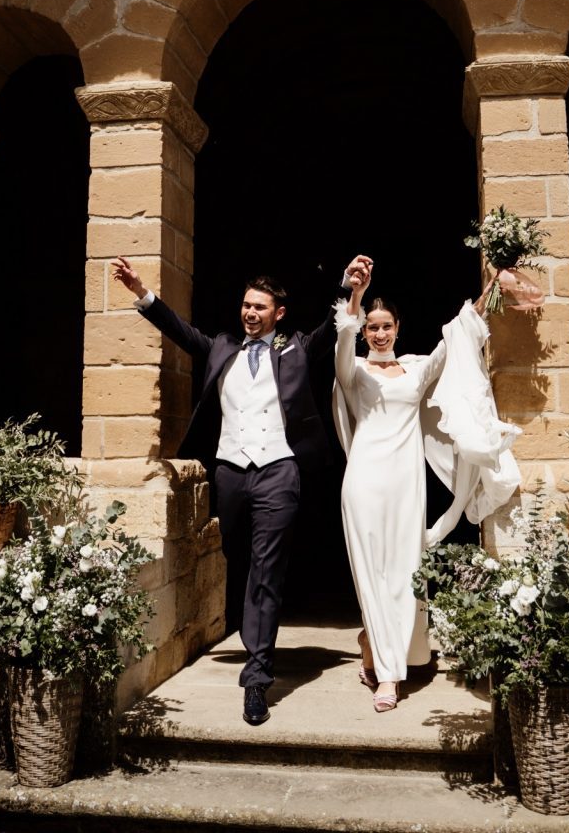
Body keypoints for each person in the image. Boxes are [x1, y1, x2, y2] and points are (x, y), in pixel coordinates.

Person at [112, 253, 373, 726]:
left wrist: (346, 284)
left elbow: (330, 326)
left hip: (278, 471)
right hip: (231, 472)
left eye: (259, 307)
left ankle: (257, 679)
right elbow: (176, 327)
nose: (250, 313)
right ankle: (251, 638)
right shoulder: (221, 348)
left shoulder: (295, 346)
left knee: (266, 571)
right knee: (238, 555)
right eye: (246, 305)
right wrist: (140, 291)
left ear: (278, 314)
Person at [332, 265, 521, 713]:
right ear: (365, 332)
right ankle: (389, 676)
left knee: (403, 571)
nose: (379, 334)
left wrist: (486, 293)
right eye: (372, 328)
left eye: (386, 327)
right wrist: (357, 294)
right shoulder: (354, 371)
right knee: (369, 572)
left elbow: (453, 340)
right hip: (362, 478)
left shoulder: (416, 371)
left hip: (405, 480)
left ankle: (376, 645)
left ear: (398, 328)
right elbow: (341, 342)